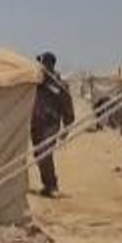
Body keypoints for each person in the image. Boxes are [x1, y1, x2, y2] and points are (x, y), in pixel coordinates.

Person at [31, 52, 75, 197]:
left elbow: (67, 104)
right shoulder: (37, 81)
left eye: (42, 63)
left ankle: (52, 185)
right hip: (36, 123)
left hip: (50, 123)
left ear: (49, 64)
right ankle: (47, 185)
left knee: (45, 153)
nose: (41, 66)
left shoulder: (58, 84)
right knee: (38, 154)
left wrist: (67, 126)